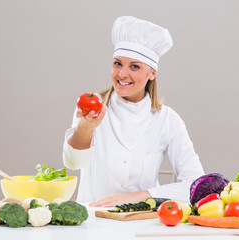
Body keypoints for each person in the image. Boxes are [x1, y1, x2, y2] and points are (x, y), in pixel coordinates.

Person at [63, 16, 204, 207]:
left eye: (134, 66)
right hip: (93, 219)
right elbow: (73, 163)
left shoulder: (168, 120)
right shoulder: (92, 106)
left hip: (143, 222)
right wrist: (85, 128)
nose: (122, 74)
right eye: (117, 63)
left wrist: (139, 196)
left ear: (152, 73)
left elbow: (197, 185)